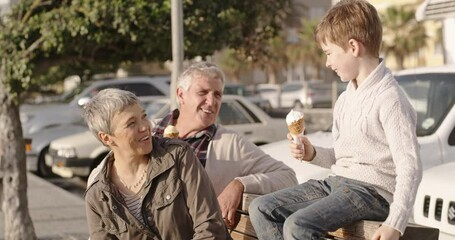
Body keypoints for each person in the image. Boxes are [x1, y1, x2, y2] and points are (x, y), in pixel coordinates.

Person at [248, 1, 422, 239]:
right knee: (262, 208)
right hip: (338, 184)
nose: (327, 63)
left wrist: (396, 222)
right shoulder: (345, 99)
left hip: (374, 193)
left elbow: (410, 165)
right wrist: (312, 154)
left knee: (298, 226)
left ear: (353, 47)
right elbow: (344, 157)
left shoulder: (391, 99)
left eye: (329, 53)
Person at [152, 61, 298, 228]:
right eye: (203, 92)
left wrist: (240, 184)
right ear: (180, 95)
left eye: (217, 95)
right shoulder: (149, 131)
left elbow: (288, 176)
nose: (211, 101)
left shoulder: (230, 142)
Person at [84, 88, 227, 239]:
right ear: (106, 138)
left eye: (144, 117)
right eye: (131, 123)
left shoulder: (178, 156)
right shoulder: (98, 196)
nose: (145, 127)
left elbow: (210, 227)